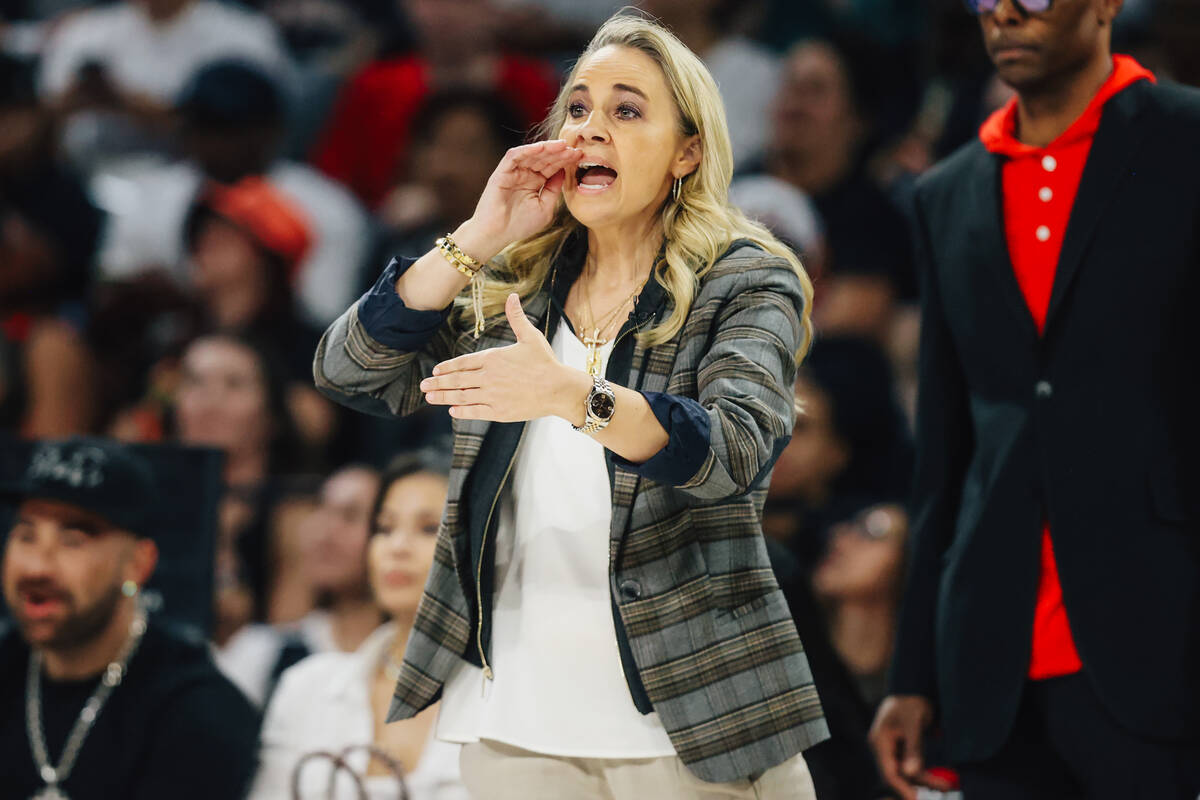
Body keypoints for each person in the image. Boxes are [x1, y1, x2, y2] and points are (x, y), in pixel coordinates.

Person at [315, 13, 828, 798]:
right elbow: (349, 370)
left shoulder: (745, 278)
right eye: (578, 108)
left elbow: (734, 450)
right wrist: (478, 234)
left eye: (627, 110)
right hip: (514, 717)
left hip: (689, 715)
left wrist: (572, 396)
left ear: (687, 151)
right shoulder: (515, 281)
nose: (590, 129)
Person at [870, 1, 1200, 798]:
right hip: (990, 663)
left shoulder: (1187, 140)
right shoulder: (946, 193)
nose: (1007, 13)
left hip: (1163, 642)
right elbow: (943, 454)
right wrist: (911, 673)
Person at [0, 436, 259, 798]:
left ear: (138, 564)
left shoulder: (197, 711)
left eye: (72, 540)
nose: (37, 567)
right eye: (26, 535)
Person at [250, 450, 469, 799]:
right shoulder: (308, 688)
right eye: (385, 528)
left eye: (429, 528)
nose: (397, 547)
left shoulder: (510, 698)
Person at [92, 59, 373, 329]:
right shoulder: (149, 195)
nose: (214, 143)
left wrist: (215, 297)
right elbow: (109, 290)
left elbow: (326, 321)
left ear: (271, 131)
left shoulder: (328, 209)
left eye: (228, 129)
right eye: (202, 127)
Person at [310, 0, 558, 209]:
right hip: (390, 222)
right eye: (430, 2)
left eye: (461, 3)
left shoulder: (532, 84)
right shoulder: (375, 85)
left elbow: (554, 170)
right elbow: (333, 181)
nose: (444, 14)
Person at [218, 463, 382, 707]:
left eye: (350, 516)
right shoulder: (263, 651)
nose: (324, 532)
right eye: (320, 510)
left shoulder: (415, 659)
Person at [812, 502, 908, 710]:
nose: (839, 537)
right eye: (849, 527)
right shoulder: (790, 667)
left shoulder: (911, 699)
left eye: (873, 531)